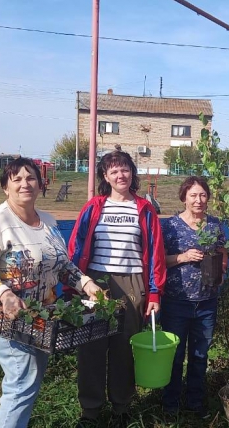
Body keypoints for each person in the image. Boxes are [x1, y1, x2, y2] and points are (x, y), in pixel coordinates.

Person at [0, 157, 102, 427]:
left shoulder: (48, 221)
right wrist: (5, 294)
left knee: (28, 385)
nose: (24, 184)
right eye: (16, 179)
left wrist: (87, 284)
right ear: (5, 187)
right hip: (11, 322)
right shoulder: (0, 221)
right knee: (21, 387)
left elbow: (64, 266)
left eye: (30, 178)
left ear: (40, 184)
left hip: (44, 319)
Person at [68, 150, 166, 426]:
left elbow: (155, 253)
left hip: (132, 282)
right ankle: (90, 410)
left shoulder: (144, 209)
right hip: (95, 282)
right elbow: (76, 246)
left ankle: (121, 407)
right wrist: (74, 284)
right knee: (91, 348)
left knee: (124, 348)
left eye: (124, 169)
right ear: (105, 176)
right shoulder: (94, 207)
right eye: (114, 171)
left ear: (132, 173)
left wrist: (154, 291)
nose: (120, 175)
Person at [160, 176, 228, 417]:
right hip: (177, 301)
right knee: (175, 356)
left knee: (200, 355)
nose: (198, 200)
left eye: (202, 195)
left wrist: (221, 269)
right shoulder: (170, 226)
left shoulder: (215, 225)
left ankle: (195, 403)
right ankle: (170, 404)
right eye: (193, 195)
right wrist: (183, 257)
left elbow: (222, 252)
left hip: (206, 302)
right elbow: (159, 262)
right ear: (184, 198)